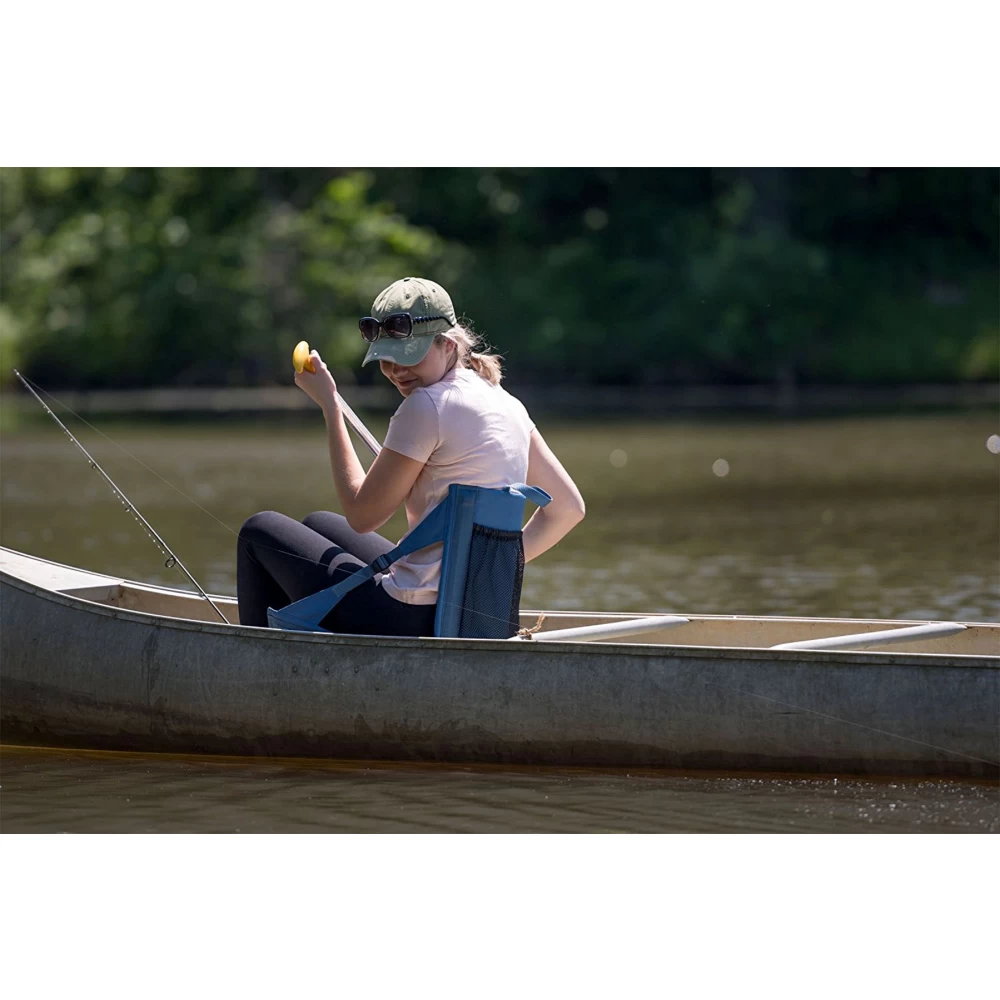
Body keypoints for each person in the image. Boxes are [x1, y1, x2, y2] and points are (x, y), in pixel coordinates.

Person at [237, 276, 585, 635]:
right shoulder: (506, 402)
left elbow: (362, 516)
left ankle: (256, 666)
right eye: (387, 360)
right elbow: (569, 509)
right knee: (318, 523)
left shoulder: (427, 405)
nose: (397, 371)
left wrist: (330, 407)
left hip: (407, 617)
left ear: (448, 345)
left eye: (409, 357)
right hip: (470, 612)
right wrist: (484, 577)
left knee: (257, 530)